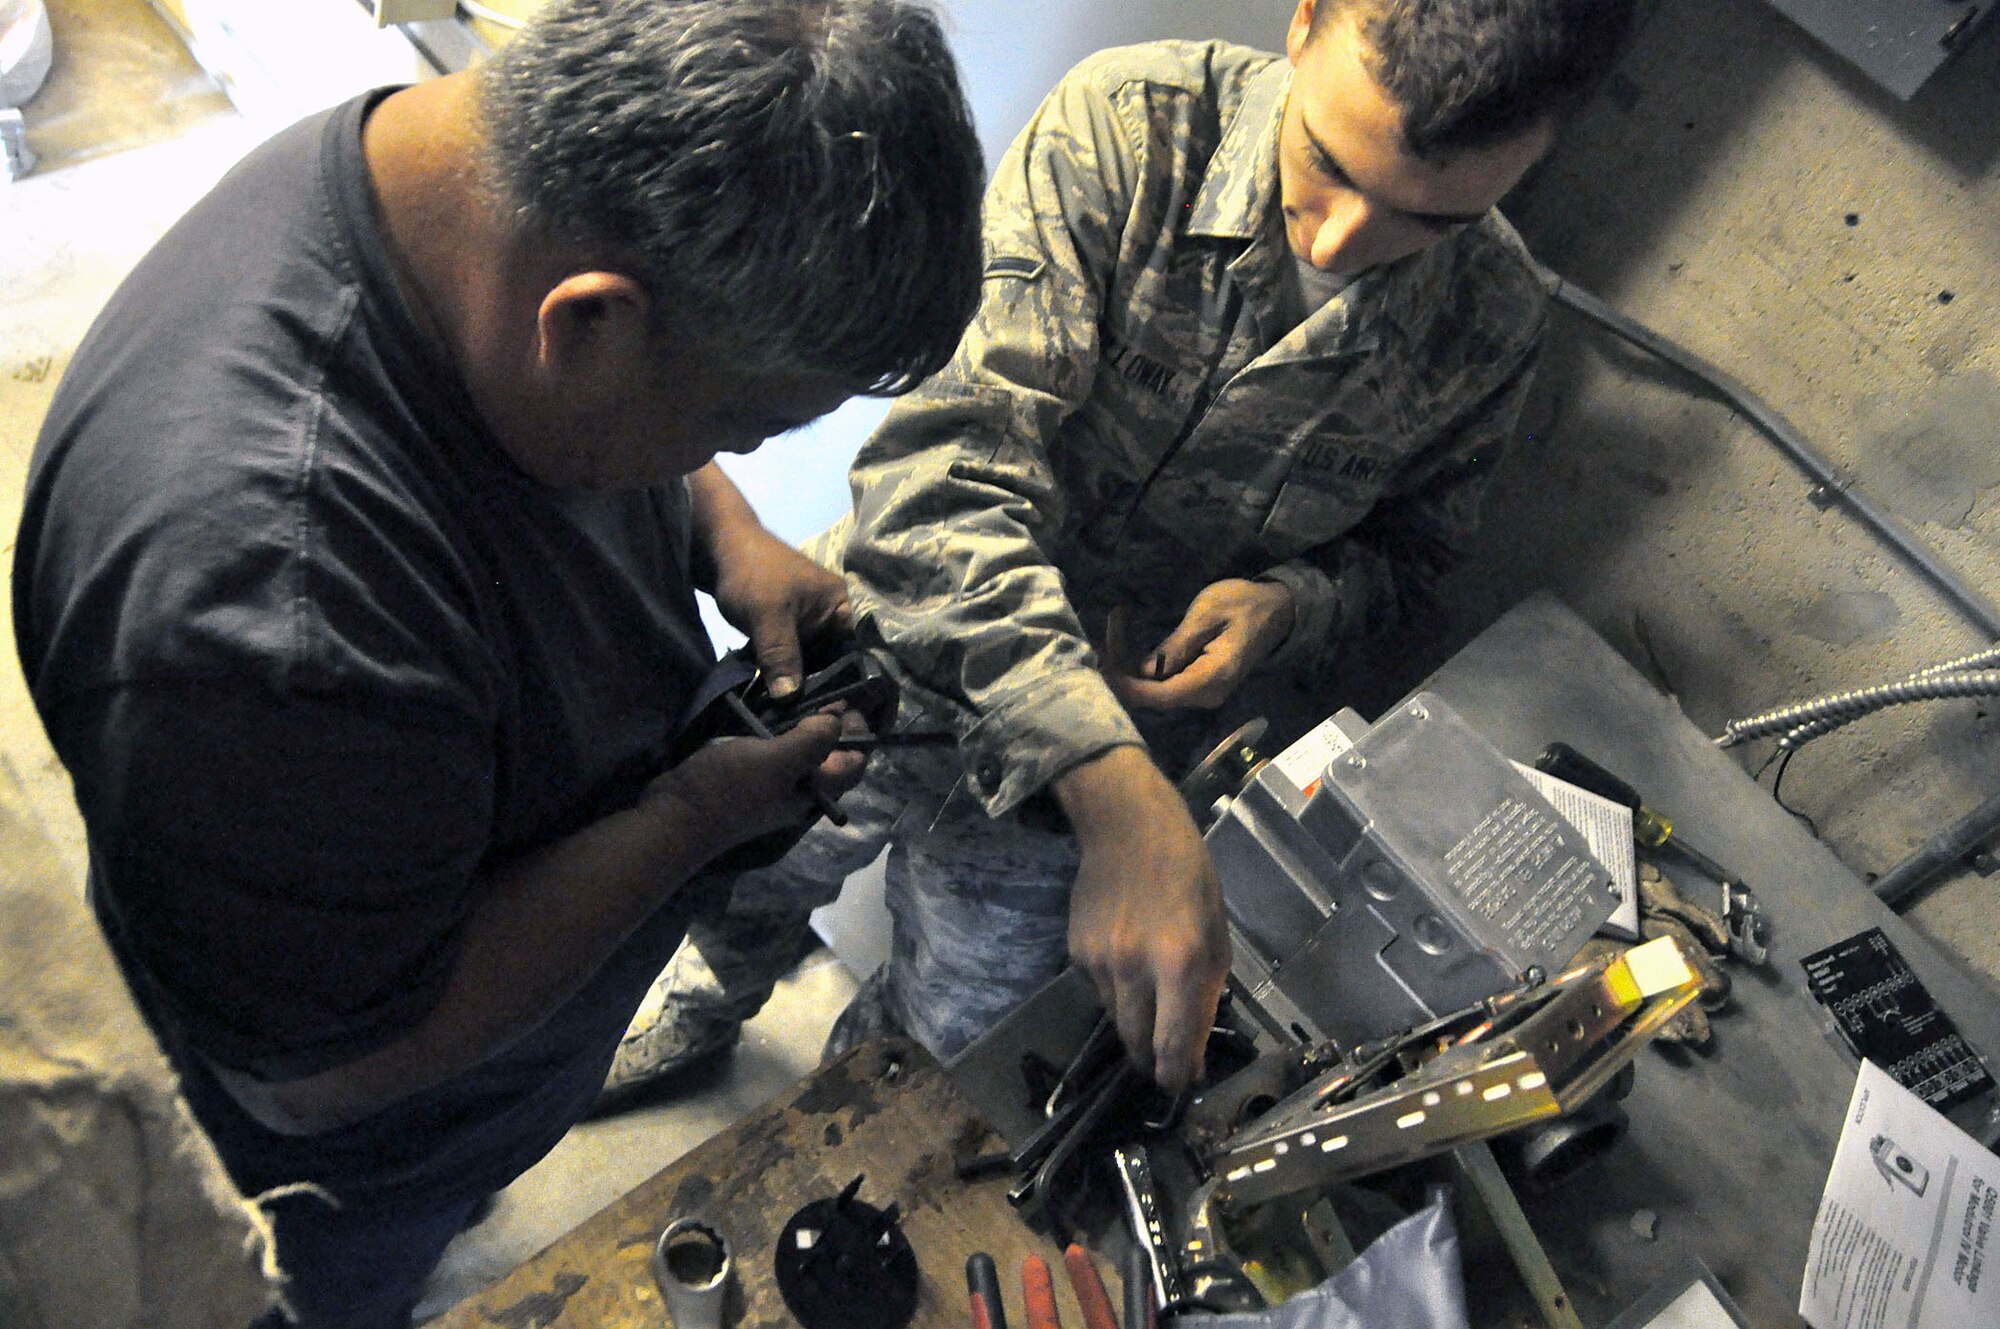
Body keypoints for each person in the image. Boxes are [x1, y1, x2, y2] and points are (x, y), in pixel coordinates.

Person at [10, 1, 983, 1325]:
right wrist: (689, 819)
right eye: (739, 424)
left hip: (460, 1079)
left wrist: (723, 531)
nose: (732, 459)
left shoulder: (456, 190)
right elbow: (329, 1073)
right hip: (346, 1178)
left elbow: (597, 389)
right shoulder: (273, 610)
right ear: (588, 326)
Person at [601, 0, 1642, 1109]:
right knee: (737, 875)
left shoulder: (1489, 321)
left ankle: (835, 1137)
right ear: (1303, 23)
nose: (1340, 239)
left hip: (1110, 763)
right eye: (1328, 163)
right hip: (892, 648)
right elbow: (937, 475)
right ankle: (690, 1011)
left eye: (1425, 220)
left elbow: (1410, 557)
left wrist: (1292, 606)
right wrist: (1109, 786)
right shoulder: (1133, 131)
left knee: (946, 1047)